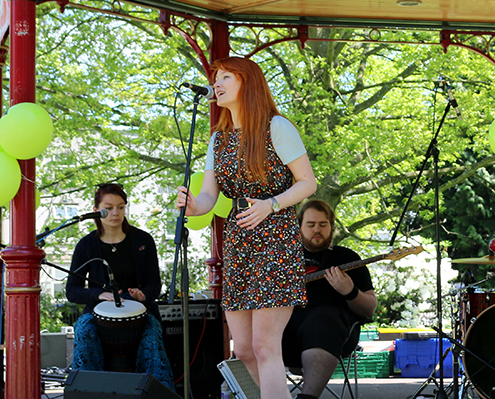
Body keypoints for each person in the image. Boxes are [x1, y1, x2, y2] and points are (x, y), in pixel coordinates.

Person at [176, 56, 318, 399]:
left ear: (247, 83)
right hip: (239, 240)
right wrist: (196, 205)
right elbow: (210, 194)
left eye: (226, 76)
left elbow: (308, 183)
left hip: (275, 238)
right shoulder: (218, 140)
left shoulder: (276, 127)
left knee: (265, 346)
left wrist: (272, 204)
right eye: (216, 77)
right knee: (243, 351)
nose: (217, 83)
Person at [67, 183, 174, 388]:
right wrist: (99, 295)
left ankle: (155, 391)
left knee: (152, 334)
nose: (116, 213)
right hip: (97, 312)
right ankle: (89, 390)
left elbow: (154, 283)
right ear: (96, 209)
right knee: (83, 329)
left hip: (140, 311)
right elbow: (72, 290)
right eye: (109, 207)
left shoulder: (143, 240)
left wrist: (143, 295)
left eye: (121, 207)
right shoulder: (86, 245)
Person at [281, 200, 377, 399]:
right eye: (311, 225)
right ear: (298, 227)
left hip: (333, 334)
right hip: (283, 335)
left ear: (331, 227)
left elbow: (369, 309)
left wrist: (349, 291)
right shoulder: (283, 258)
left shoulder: (348, 258)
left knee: (323, 318)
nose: (317, 230)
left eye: (323, 225)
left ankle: (307, 398)